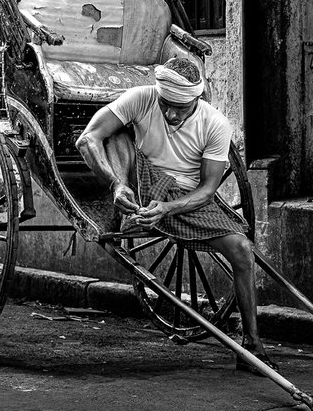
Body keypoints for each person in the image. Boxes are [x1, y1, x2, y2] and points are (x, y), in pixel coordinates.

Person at [76, 57, 275, 371]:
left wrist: (168, 208)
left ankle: (251, 342)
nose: (169, 113)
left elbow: (208, 189)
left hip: (187, 196)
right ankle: (127, 207)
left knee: (242, 249)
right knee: (114, 135)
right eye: (165, 104)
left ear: (197, 99)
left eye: (179, 108)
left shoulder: (215, 124)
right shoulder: (142, 98)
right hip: (138, 177)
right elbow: (88, 138)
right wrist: (115, 184)